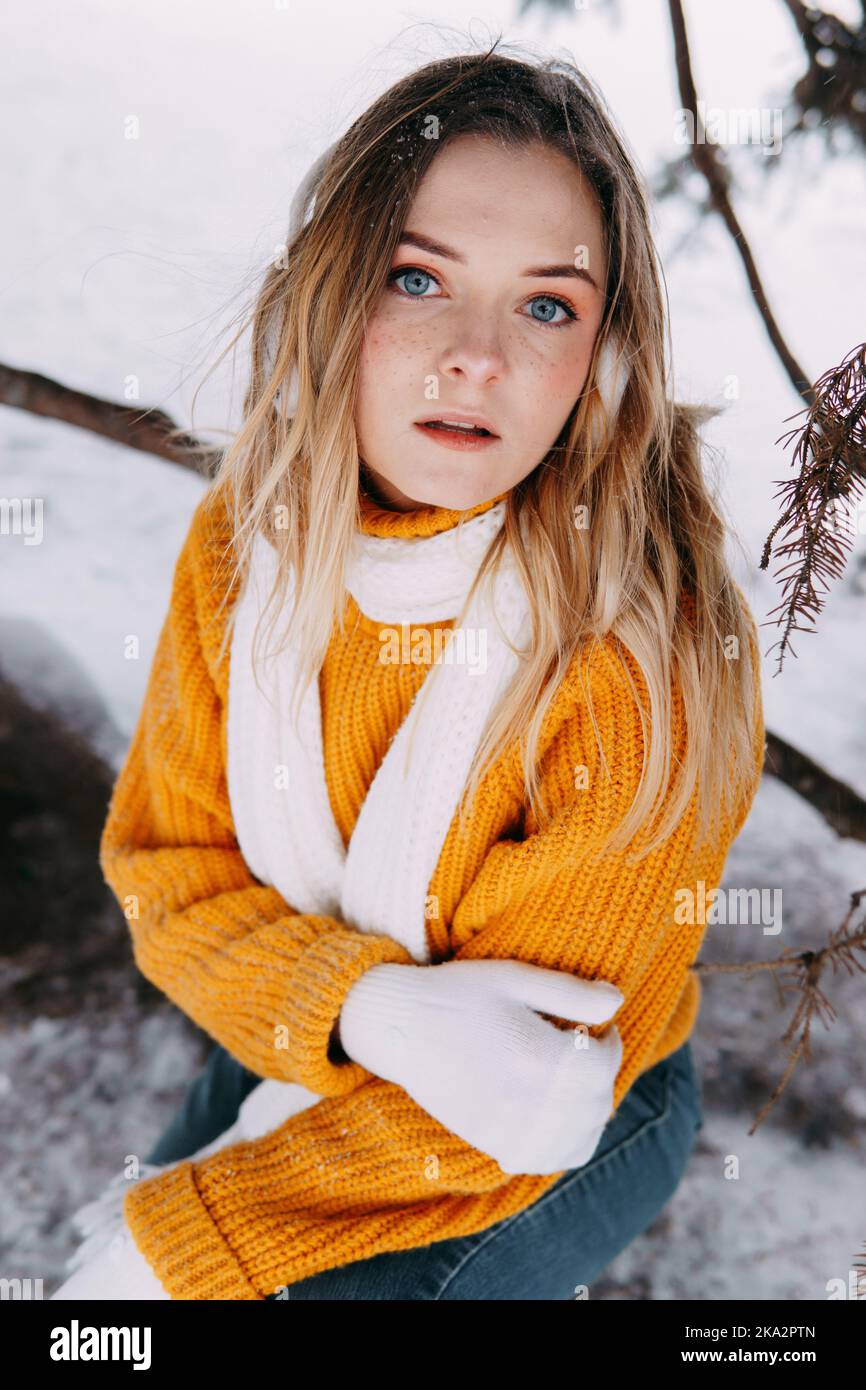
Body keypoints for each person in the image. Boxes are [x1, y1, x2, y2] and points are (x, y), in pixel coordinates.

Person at [52, 42, 765, 1302]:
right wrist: (364, 1008)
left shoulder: (632, 645)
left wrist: (178, 1242)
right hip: (312, 1026)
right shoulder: (248, 541)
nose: (475, 356)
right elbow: (170, 873)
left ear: (601, 356)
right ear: (336, 289)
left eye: (545, 303)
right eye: (418, 278)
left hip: (560, 1121)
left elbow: (536, 1085)